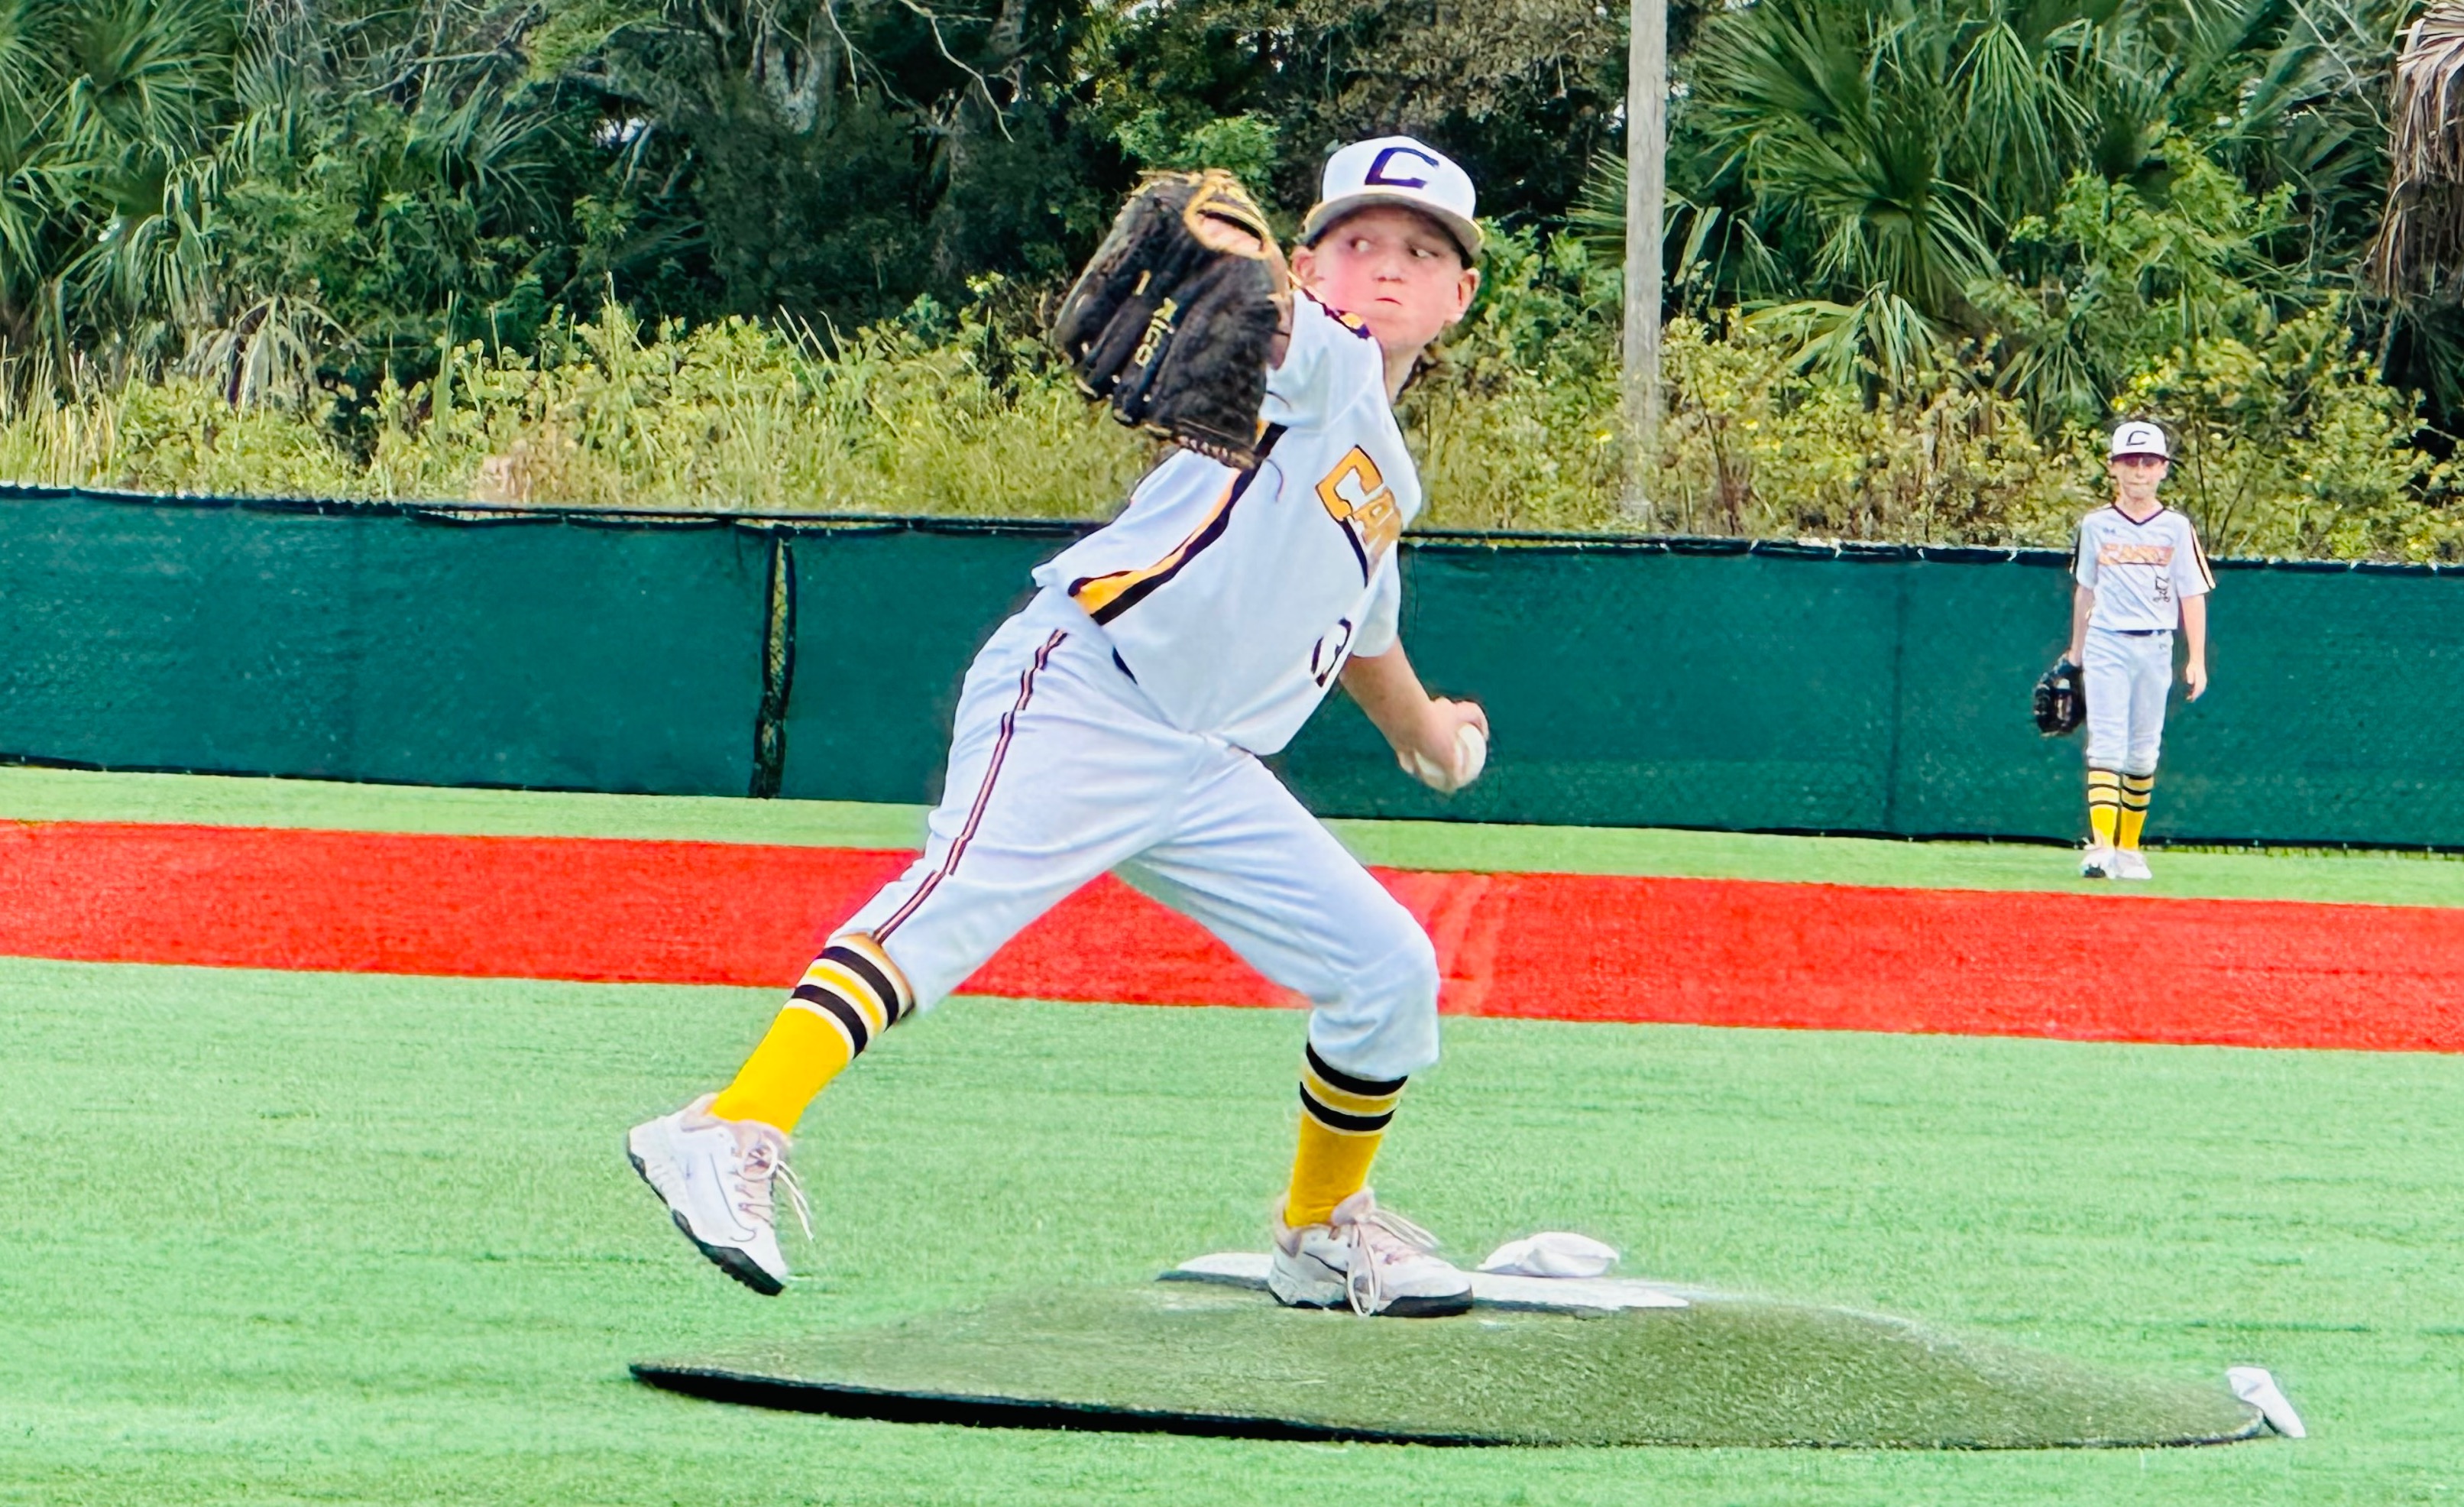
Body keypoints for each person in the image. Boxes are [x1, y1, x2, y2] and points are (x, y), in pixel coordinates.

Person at [627, 137, 1493, 1317]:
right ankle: (726, 1127)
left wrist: (1430, 737)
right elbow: (1280, 336)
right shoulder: (1319, 363)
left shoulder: (1388, 477)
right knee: (952, 907)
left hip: (1203, 765)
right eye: (1357, 241)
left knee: (1384, 968)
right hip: (1087, 688)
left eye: (1421, 252)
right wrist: (1263, 295)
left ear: (1459, 294)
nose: (1387, 266)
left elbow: (1367, 635)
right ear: (1307, 266)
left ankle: (1318, 1230)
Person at [2067, 420, 2213, 880]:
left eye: (2148, 462)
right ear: (2113, 467)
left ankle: (2129, 849)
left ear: (2164, 469)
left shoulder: (2176, 528)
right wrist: (2075, 654)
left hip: (2155, 644)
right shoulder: (2096, 525)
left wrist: (2196, 659)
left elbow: (2192, 594)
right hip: (2107, 641)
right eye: (2130, 462)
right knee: (2106, 744)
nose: (2139, 472)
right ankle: (2101, 848)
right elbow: (2085, 591)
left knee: (2143, 751)